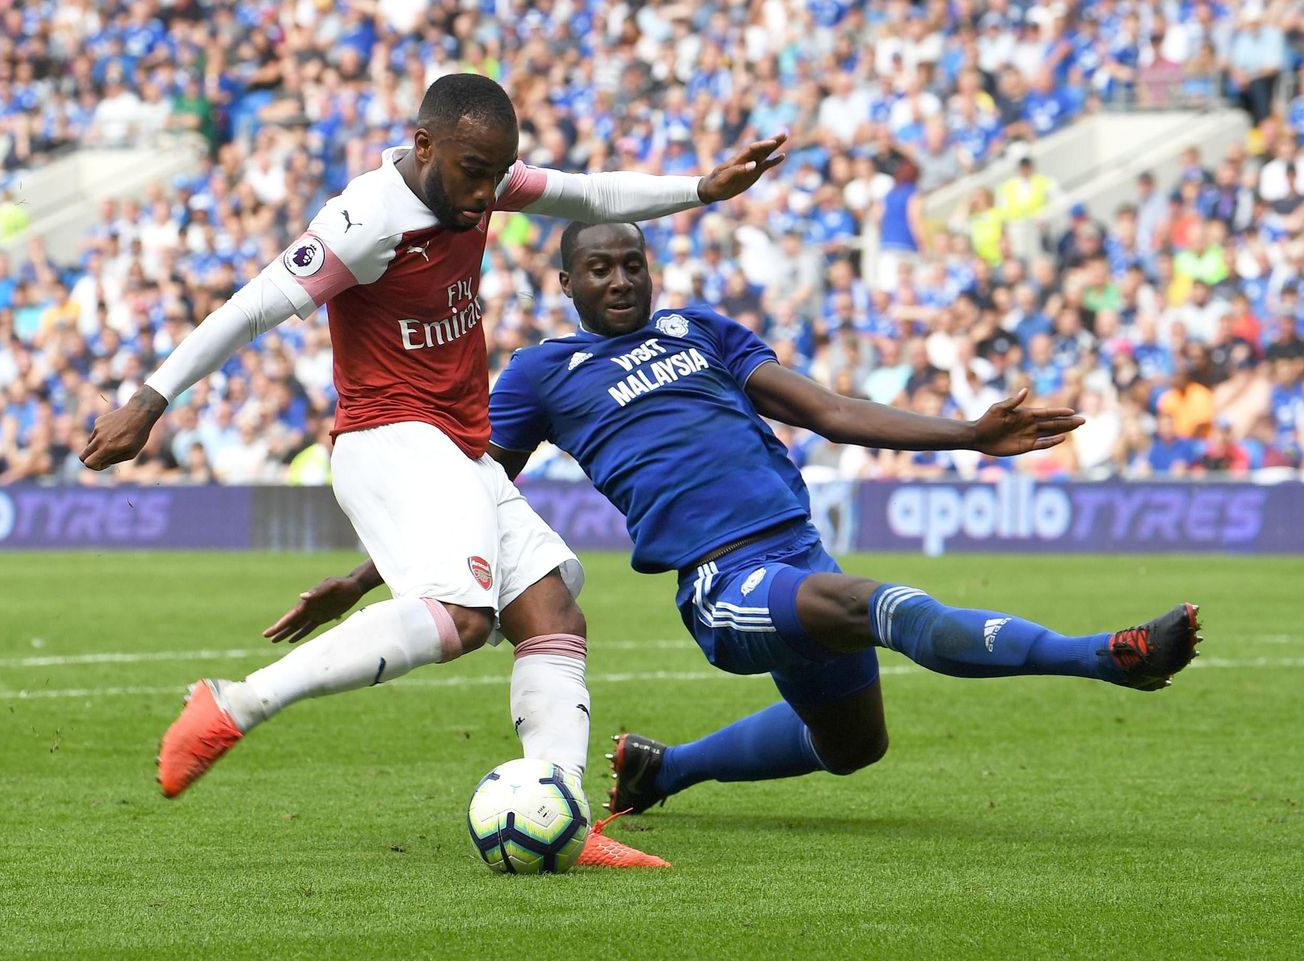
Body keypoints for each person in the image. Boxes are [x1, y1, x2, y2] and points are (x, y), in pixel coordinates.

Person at [79, 75, 784, 865]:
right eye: (474, 173)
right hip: (387, 433)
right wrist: (149, 400)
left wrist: (701, 187)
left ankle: (562, 810)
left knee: (552, 614)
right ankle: (234, 704)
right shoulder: (364, 219)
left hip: (455, 446)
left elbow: (586, 194)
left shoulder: (476, 180)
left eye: (497, 175)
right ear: (424, 146)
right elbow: (251, 306)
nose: (486, 197)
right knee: (463, 614)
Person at [476, 222, 1199, 816]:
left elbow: (831, 411)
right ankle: (1105, 656)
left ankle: (661, 771)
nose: (621, 280)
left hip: (799, 553)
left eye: (633, 263)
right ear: (567, 283)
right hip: (723, 584)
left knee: (855, 745)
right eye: (599, 269)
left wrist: (971, 435)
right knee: (874, 603)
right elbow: (475, 484)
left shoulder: (696, 329)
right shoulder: (541, 373)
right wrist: (390, 570)